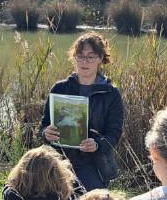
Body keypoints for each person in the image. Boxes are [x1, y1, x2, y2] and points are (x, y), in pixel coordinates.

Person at [40, 32, 125, 191]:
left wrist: (97, 144)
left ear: (100, 58)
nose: (84, 61)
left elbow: (114, 133)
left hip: (94, 164)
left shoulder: (111, 93)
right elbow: (44, 125)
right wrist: (46, 133)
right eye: (80, 56)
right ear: (74, 57)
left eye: (90, 57)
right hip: (59, 161)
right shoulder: (60, 88)